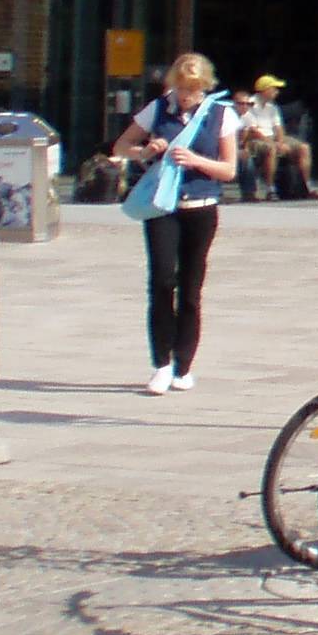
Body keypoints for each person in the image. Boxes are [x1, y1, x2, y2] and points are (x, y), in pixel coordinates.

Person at [111, 53, 239, 394]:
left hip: (202, 207)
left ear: (204, 87)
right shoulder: (158, 109)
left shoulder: (220, 114)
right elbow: (122, 145)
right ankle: (161, 364)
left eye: (193, 90)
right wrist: (146, 151)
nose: (186, 96)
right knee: (162, 281)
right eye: (181, 88)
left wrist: (196, 160)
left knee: (191, 289)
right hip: (162, 206)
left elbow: (229, 170)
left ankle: (184, 365)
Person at [232, 76, 285, 203]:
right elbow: (252, 132)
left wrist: (280, 142)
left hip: (249, 142)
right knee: (249, 156)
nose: (246, 106)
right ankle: (268, 189)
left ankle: (304, 188)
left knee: (302, 148)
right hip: (247, 142)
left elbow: (278, 127)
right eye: (274, 88)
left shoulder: (272, 107)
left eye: (247, 104)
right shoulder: (232, 113)